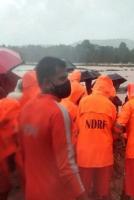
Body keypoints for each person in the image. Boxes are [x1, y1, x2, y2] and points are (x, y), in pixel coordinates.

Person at [19, 57, 87, 200]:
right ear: (46, 82)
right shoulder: (58, 113)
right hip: (56, 194)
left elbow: (22, 156)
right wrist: (82, 196)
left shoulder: (25, 109)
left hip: (32, 192)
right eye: (62, 78)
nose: (67, 82)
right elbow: (67, 166)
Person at [77, 75, 116, 199]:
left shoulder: (83, 101)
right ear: (108, 89)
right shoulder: (111, 106)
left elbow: (78, 126)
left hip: (84, 154)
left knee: (84, 189)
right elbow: (113, 129)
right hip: (104, 154)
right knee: (103, 190)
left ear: (96, 87)